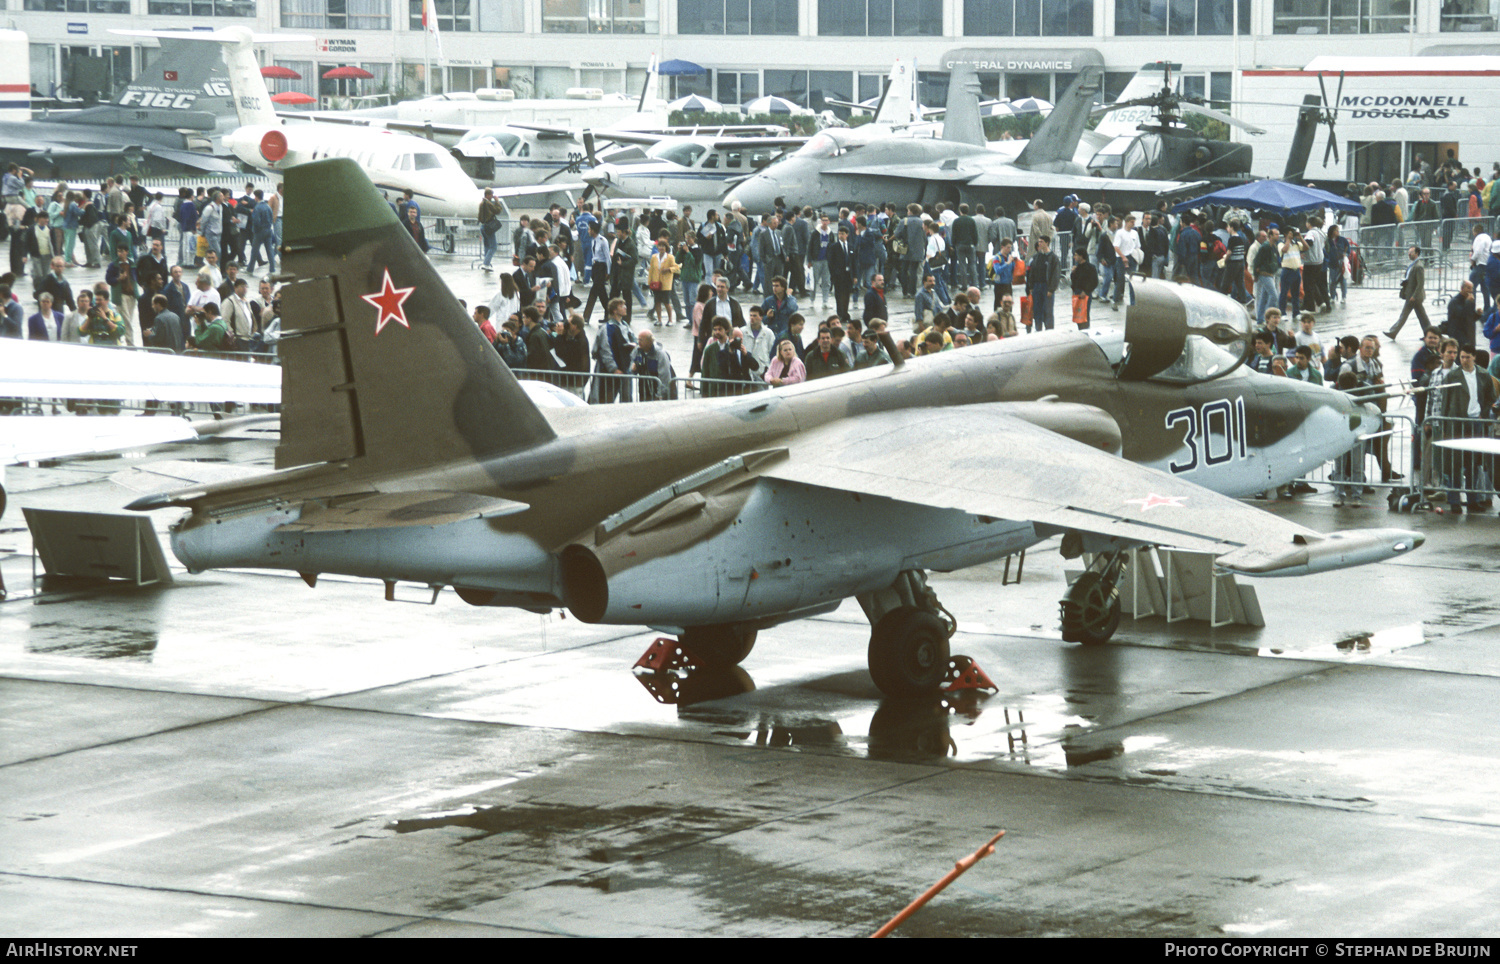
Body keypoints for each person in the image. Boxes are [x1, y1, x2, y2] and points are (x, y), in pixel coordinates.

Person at [1385, 245, 1432, 339]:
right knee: (1423, 317)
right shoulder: (1413, 265)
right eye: (1408, 252)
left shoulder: (1418, 266)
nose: (1409, 254)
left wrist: (1414, 296)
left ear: (1417, 253)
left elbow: (1420, 283)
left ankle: (1393, 332)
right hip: (1412, 295)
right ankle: (1430, 335)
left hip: (1414, 297)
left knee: (1404, 315)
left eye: (1411, 252)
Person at [630, 329, 674, 401]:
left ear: (649, 341)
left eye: (641, 340)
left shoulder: (660, 354)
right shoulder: (637, 350)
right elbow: (631, 367)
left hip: (658, 391)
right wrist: (633, 368)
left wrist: (660, 395)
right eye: (638, 339)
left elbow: (664, 376)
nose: (638, 342)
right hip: (644, 391)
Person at [1071, 249, 1097, 329]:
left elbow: (1094, 282)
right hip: (1077, 293)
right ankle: (1080, 329)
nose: (1074, 257)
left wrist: (1086, 291)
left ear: (1081, 256)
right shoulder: (1077, 267)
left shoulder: (1090, 268)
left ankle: (1085, 329)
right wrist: (1073, 273)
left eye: (1076, 255)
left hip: (1085, 294)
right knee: (1078, 314)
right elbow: (1074, 281)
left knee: (1085, 314)